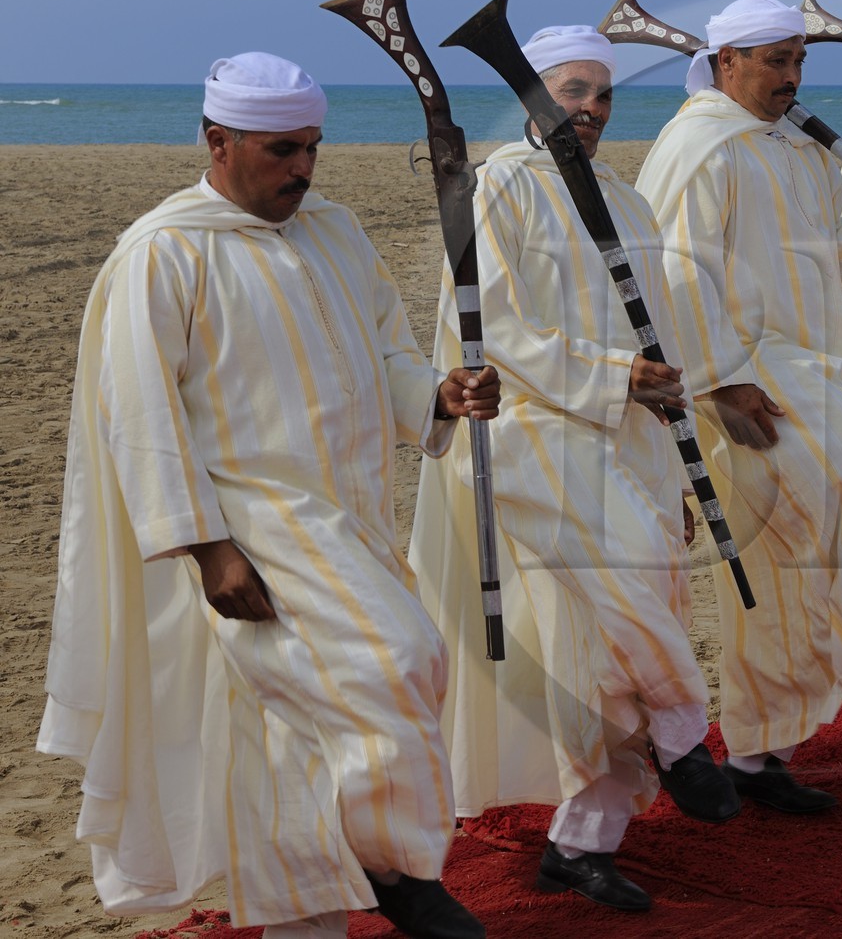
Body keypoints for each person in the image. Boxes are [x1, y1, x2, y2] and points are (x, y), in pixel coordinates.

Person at [38, 53, 498, 938]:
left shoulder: (333, 228)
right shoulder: (162, 252)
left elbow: (387, 345)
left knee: (286, 731)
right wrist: (206, 546)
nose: (303, 169)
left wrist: (436, 393)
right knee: (395, 661)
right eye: (283, 149)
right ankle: (393, 864)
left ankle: (309, 915)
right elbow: (138, 412)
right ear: (217, 142)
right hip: (251, 521)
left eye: (313, 148)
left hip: (350, 511)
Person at [408, 27, 737, 914]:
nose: (589, 109)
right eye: (572, 91)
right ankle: (681, 734)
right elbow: (495, 332)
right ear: (533, 99)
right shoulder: (496, 191)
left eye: (602, 95)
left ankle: (582, 843)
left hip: (627, 441)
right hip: (534, 444)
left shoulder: (629, 202)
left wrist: (670, 432)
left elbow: (657, 332)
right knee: (624, 595)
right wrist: (612, 375)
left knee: (604, 650)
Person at [635, 0, 842, 809]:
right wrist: (721, 381)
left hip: (811, 367)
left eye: (800, 62)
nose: (793, 78)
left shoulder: (791, 145)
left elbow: (818, 256)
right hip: (745, 371)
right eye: (777, 62)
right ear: (728, 63)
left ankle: (771, 751)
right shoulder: (699, 147)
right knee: (832, 504)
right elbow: (680, 270)